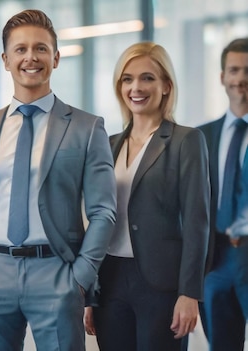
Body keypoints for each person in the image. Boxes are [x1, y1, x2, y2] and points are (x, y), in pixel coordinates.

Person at [0, 9, 117, 351]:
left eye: (40, 48)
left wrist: (80, 277)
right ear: (6, 59)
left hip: (56, 273)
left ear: (55, 58)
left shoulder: (87, 128)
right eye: (21, 49)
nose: (31, 57)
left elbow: (104, 212)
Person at [82, 42, 210, 350]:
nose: (136, 87)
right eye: (127, 78)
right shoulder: (107, 144)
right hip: (110, 281)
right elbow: (96, 219)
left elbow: (197, 222)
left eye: (147, 78)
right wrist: (90, 293)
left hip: (161, 285)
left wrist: (189, 293)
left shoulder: (186, 141)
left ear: (166, 85)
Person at [198, 37, 248, 351]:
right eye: (234, 70)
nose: (241, 78)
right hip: (215, 259)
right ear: (222, 77)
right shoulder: (201, 137)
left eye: (247, 70)